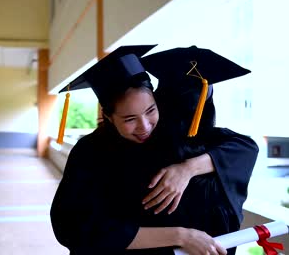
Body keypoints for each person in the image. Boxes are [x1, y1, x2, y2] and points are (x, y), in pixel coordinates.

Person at [50, 45, 259, 255]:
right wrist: (180, 236)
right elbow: (73, 226)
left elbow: (244, 148)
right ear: (108, 116)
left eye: (151, 110)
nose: (144, 126)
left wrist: (187, 169)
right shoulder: (90, 151)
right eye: (129, 119)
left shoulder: (176, 137)